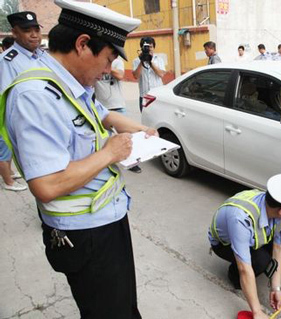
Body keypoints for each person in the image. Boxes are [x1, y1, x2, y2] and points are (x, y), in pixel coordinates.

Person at [0, 0, 158, 317]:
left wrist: (142, 129)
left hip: (107, 217)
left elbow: (103, 115)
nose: (109, 71)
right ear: (83, 45)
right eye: (108, 59)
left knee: (124, 305)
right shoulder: (36, 95)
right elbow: (46, 185)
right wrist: (109, 153)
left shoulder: (69, 82)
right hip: (83, 234)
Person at [209, 173, 281, 319]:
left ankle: (259, 256)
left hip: (253, 236)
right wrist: (257, 312)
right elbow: (244, 269)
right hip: (224, 244)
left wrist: (276, 288)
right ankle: (233, 275)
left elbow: (279, 247)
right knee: (260, 261)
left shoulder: (276, 209)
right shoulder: (240, 218)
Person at [0, 11, 49, 192]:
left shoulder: (42, 56)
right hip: (30, 126)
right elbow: (7, 101)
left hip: (47, 121)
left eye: (36, 29)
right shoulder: (7, 62)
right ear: (14, 33)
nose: (34, 34)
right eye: (27, 30)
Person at [133, 36, 166, 113]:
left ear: (154, 47)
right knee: (145, 117)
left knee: (159, 116)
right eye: (146, 47)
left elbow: (161, 74)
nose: (149, 49)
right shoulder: (136, 61)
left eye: (150, 47)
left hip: (158, 96)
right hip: (144, 96)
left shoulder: (159, 59)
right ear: (142, 48)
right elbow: (136, 76)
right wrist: (142, 61)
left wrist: (150, 61)